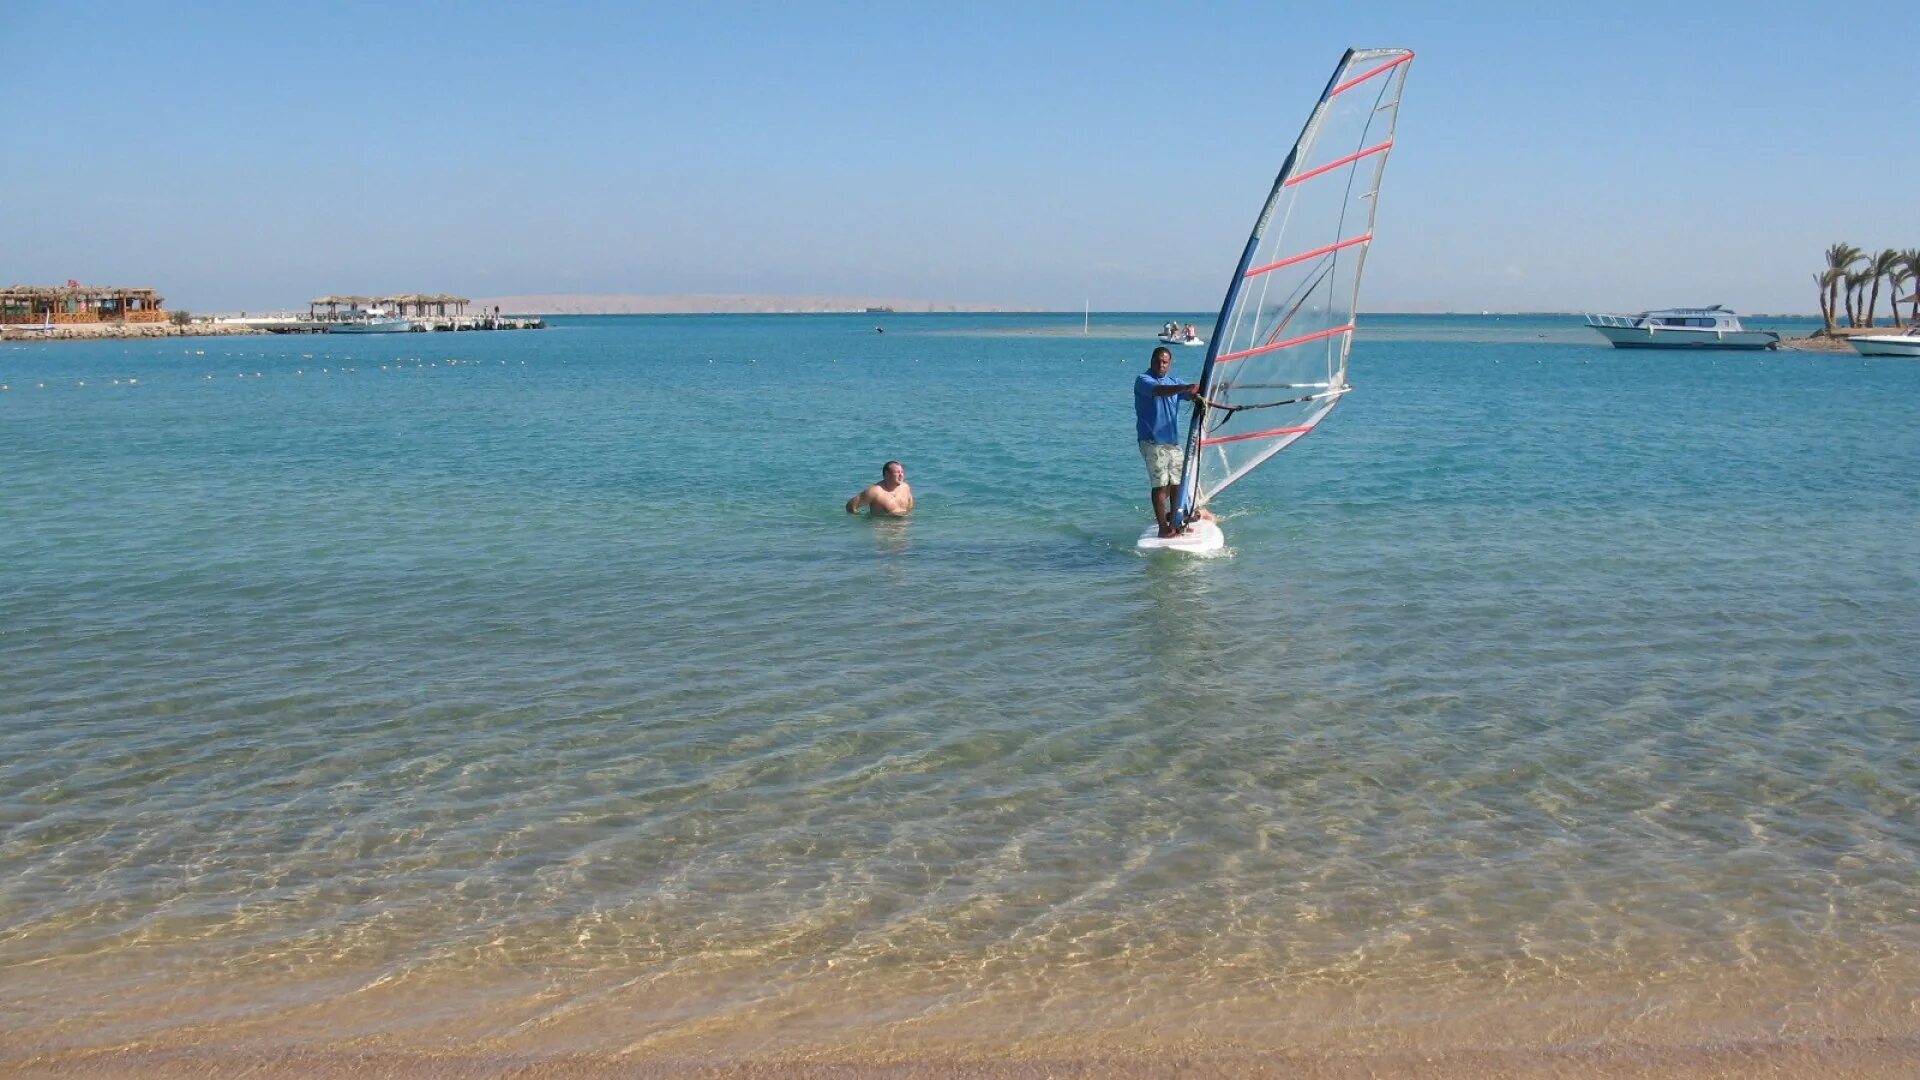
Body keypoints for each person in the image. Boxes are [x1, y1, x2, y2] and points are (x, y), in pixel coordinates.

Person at [1135, 346, 1200, 537]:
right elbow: (1161, 391)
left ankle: (1176, 520)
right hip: (1151, 441)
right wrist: (1185, 388)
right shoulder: (1143, 380)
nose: (1160, 365)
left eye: (1164, 362)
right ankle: (1163, 528)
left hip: (1172, 442)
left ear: (1169, 364)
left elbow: (1189, 393)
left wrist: (1199, 390)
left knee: (1178, 483)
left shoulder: (1174, 381)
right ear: (1151, 360)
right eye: (1157, 360)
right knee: (1161, 484)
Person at [846, 460, 914, 516]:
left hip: (902, 529)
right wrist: (861, 520)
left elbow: (910, 508)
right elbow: (850, 506)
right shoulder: (875, 492)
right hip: (882, 529)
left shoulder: (905, 487)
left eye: (902, 472)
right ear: (887, 474)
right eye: (897, 472)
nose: (901, 475)